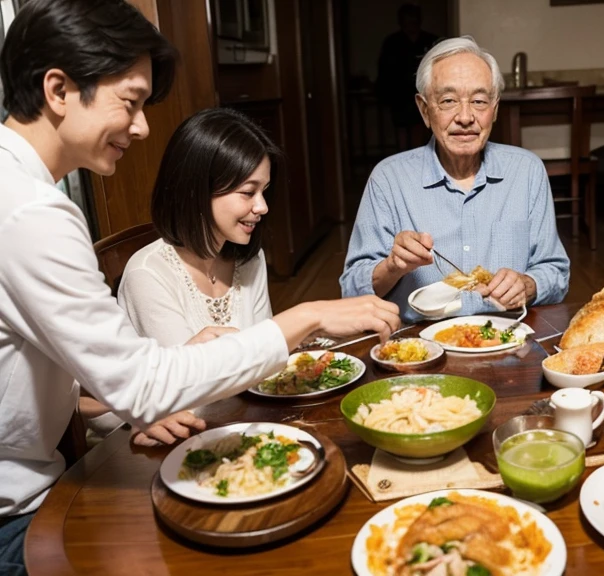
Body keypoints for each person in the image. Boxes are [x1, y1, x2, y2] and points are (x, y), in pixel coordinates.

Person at [0, 1, 399, 571]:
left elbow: (104, 378)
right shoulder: (31, 213)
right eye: (130, 102)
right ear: (59, 90)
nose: (140, 127)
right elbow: (144, 383)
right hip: (17, 516)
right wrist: (304, 318)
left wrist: (127, 399)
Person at [78, 107, 283, 447]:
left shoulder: (249, 259)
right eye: (248, 193)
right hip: (142, 447)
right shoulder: (149, 274)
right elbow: (188, 398)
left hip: (235, 427)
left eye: (264, 191)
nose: (262, 206)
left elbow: (266, 368)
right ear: (198, 190)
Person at [342, 36, 570, 323]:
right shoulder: (389, 179)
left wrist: (529, 285)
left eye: (478, 101)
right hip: (420, 347)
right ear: (425, 110)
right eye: (448, 101)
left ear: (495, 108)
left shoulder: (526, 171)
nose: (465, 117)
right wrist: (392, 266)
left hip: (507, 339)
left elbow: (556, 273)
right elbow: (351, 291)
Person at [377, 3, 439, 151]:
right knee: (402, 130)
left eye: (413, 19)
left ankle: (420, 157)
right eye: (407, 19)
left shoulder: (430, 40)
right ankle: (404, 157)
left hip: (424, 92)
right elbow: (385, 70)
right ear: (401, 21)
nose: (410, 23)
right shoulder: (392, 42)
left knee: (424, 126)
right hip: (399, 95)